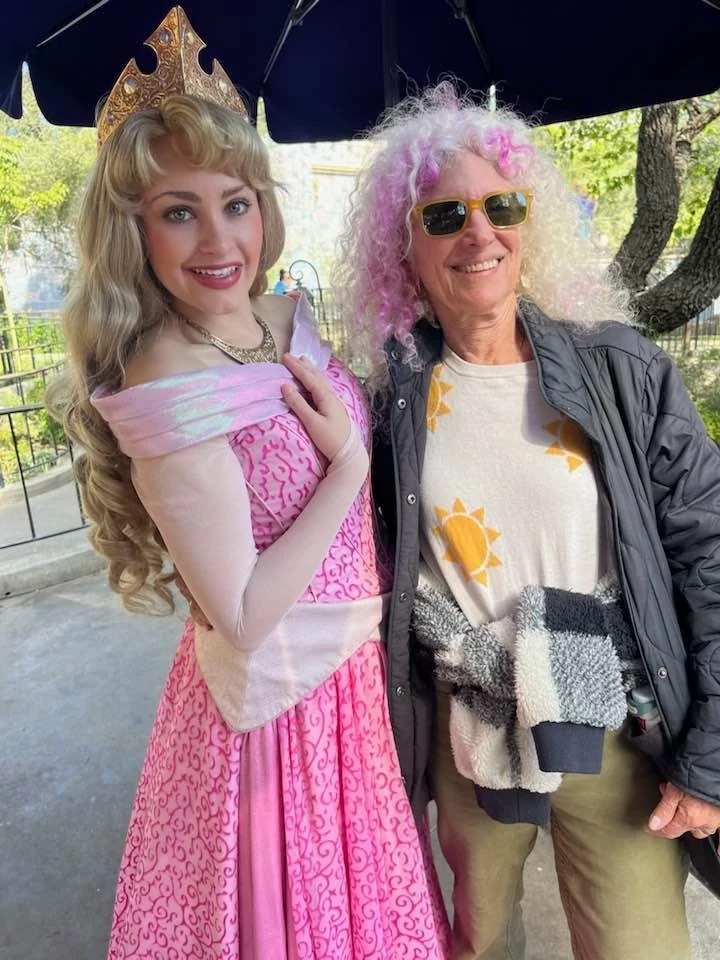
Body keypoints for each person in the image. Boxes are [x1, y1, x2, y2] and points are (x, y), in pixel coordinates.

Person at [46, 15, 450, 959]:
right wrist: (346, 468)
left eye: (236, 202)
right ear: (131, 228)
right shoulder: (167, 384)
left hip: (351, 683)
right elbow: (240, 611)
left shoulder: (278, 313)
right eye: (177, 210)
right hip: (280, 710)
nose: (219, 238)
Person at [337, 83, 720, 960]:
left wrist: (709, 760)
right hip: (470, 728)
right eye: (443, 216)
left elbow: (710, 551)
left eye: (500, 206)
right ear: (404, 248)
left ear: (528, 221)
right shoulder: (387, 398)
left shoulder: (620, 371)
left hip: (617, 723)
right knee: (478, 943)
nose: (479, 233)